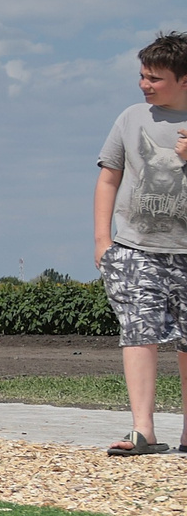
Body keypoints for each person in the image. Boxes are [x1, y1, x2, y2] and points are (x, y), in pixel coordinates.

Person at [94, 31, 187, 454]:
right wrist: (103, 240)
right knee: (138, 332)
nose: (144, 84)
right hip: (134, 248)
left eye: (156, 78)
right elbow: (108, 176)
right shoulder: (131, 118)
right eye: (142, 75)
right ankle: (143, 430)